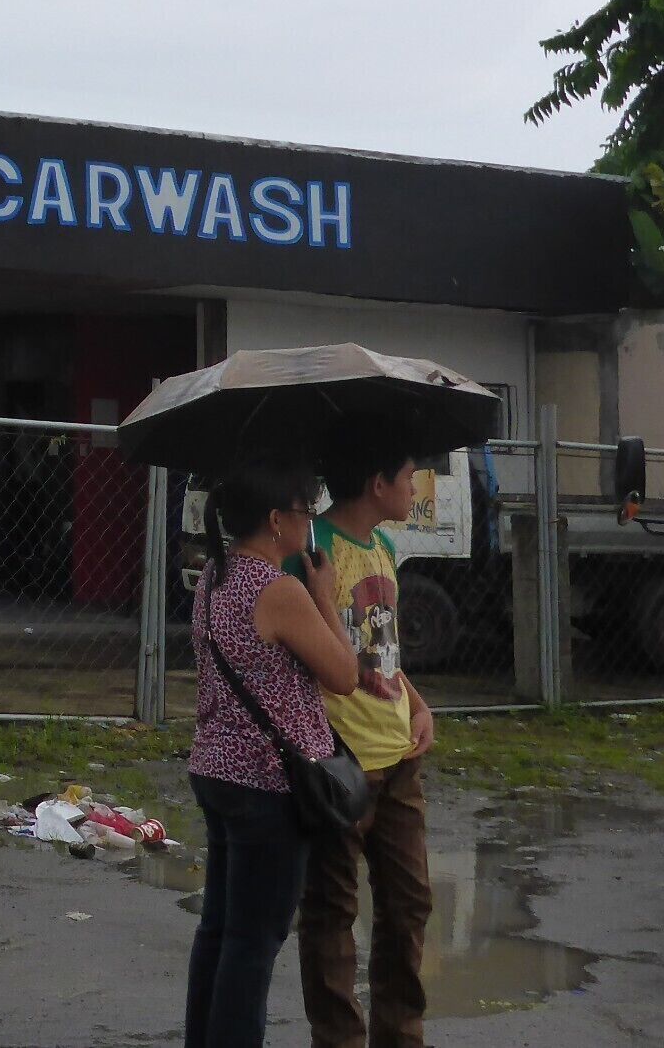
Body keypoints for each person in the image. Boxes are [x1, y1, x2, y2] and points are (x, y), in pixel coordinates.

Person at [185, 458, 359, 1048]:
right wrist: (326, 597)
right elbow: (343, 674)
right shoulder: (278, 590)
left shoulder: (215, 575)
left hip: (217, 771)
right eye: (305, 511)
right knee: (253, 945)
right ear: (277, 520)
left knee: (219, 932)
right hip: (268, 786)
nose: (310, 522)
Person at [292, 431, 436, 1048]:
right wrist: (322, 596)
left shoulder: (382, 545)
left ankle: (400, 1035)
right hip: (340, 766)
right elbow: (312, 651)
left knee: (409, 906)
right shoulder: (311, 548)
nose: (415, 487)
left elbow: (382, 648)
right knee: (332, 915)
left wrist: (417, 701)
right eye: (408, 475)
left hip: (399, 758)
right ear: (377, 483)